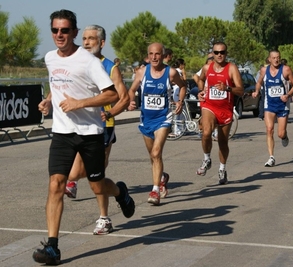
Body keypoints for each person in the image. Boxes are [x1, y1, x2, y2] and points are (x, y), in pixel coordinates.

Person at [32, 10, 135, 265]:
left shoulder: (88, 61)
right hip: (62, 133)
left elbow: (112, 95)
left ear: (74, 33)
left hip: (90, 133)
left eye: (65, 30)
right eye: (55, 30)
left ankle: (120, 192)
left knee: (97, 185)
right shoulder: (49, 58)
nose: (59, 35)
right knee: (56, 184)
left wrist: (80, 103)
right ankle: (53, 247)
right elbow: (56, 85)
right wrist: (47, 101)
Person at [63, 25, 131, 235]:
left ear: (102, 43)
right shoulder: (75, 62)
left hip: (102, 127)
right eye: (84, 38)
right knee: (74, 174)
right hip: (77, 126)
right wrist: (47, 101)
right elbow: (62, 87)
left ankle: (104, 218)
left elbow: (124, 97)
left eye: (91, 38)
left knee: (96, 177)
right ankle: (119, 192)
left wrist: (110, 114)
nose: (86, 42)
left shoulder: (110, 67)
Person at [127, 42, 187, 205]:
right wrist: (131, 101)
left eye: (157, 54)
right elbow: (131, 90)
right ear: (148, 56)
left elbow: (183, 86)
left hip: (163, 119)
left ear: (163, 55)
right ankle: (162, 177)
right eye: (151, 54)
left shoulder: (171, 73)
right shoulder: (142, 72)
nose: (154, 57)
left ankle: (155, 190)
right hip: (146, 119)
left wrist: (180, 101)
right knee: (153, 156)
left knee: (155, 153)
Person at [196, 41, 243, 184]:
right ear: (213, 54)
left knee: (223, 142)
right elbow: (200, 79)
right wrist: (201, 91)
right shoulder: (206, 68)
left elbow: (241, 90)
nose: (219, 55)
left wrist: (227, 88)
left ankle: (222, 168)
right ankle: (206, 159)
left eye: (222, 52)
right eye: (216, 52)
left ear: (226, 54)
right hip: (209, 105)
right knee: (206, 132)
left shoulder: (231, 68)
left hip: (225, 109)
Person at [252, 50, 293, 167]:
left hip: (282, 105)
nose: (276, 60)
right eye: (274, 58)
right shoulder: (264, 70)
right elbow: (259, 82)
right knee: (269, 129)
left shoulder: (286, 70)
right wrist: (257, 91)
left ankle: (284, 136)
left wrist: (287, 95)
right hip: (269, 105)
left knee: (280, 134)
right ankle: (271, 157)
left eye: (278, 57)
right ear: (269, 59)